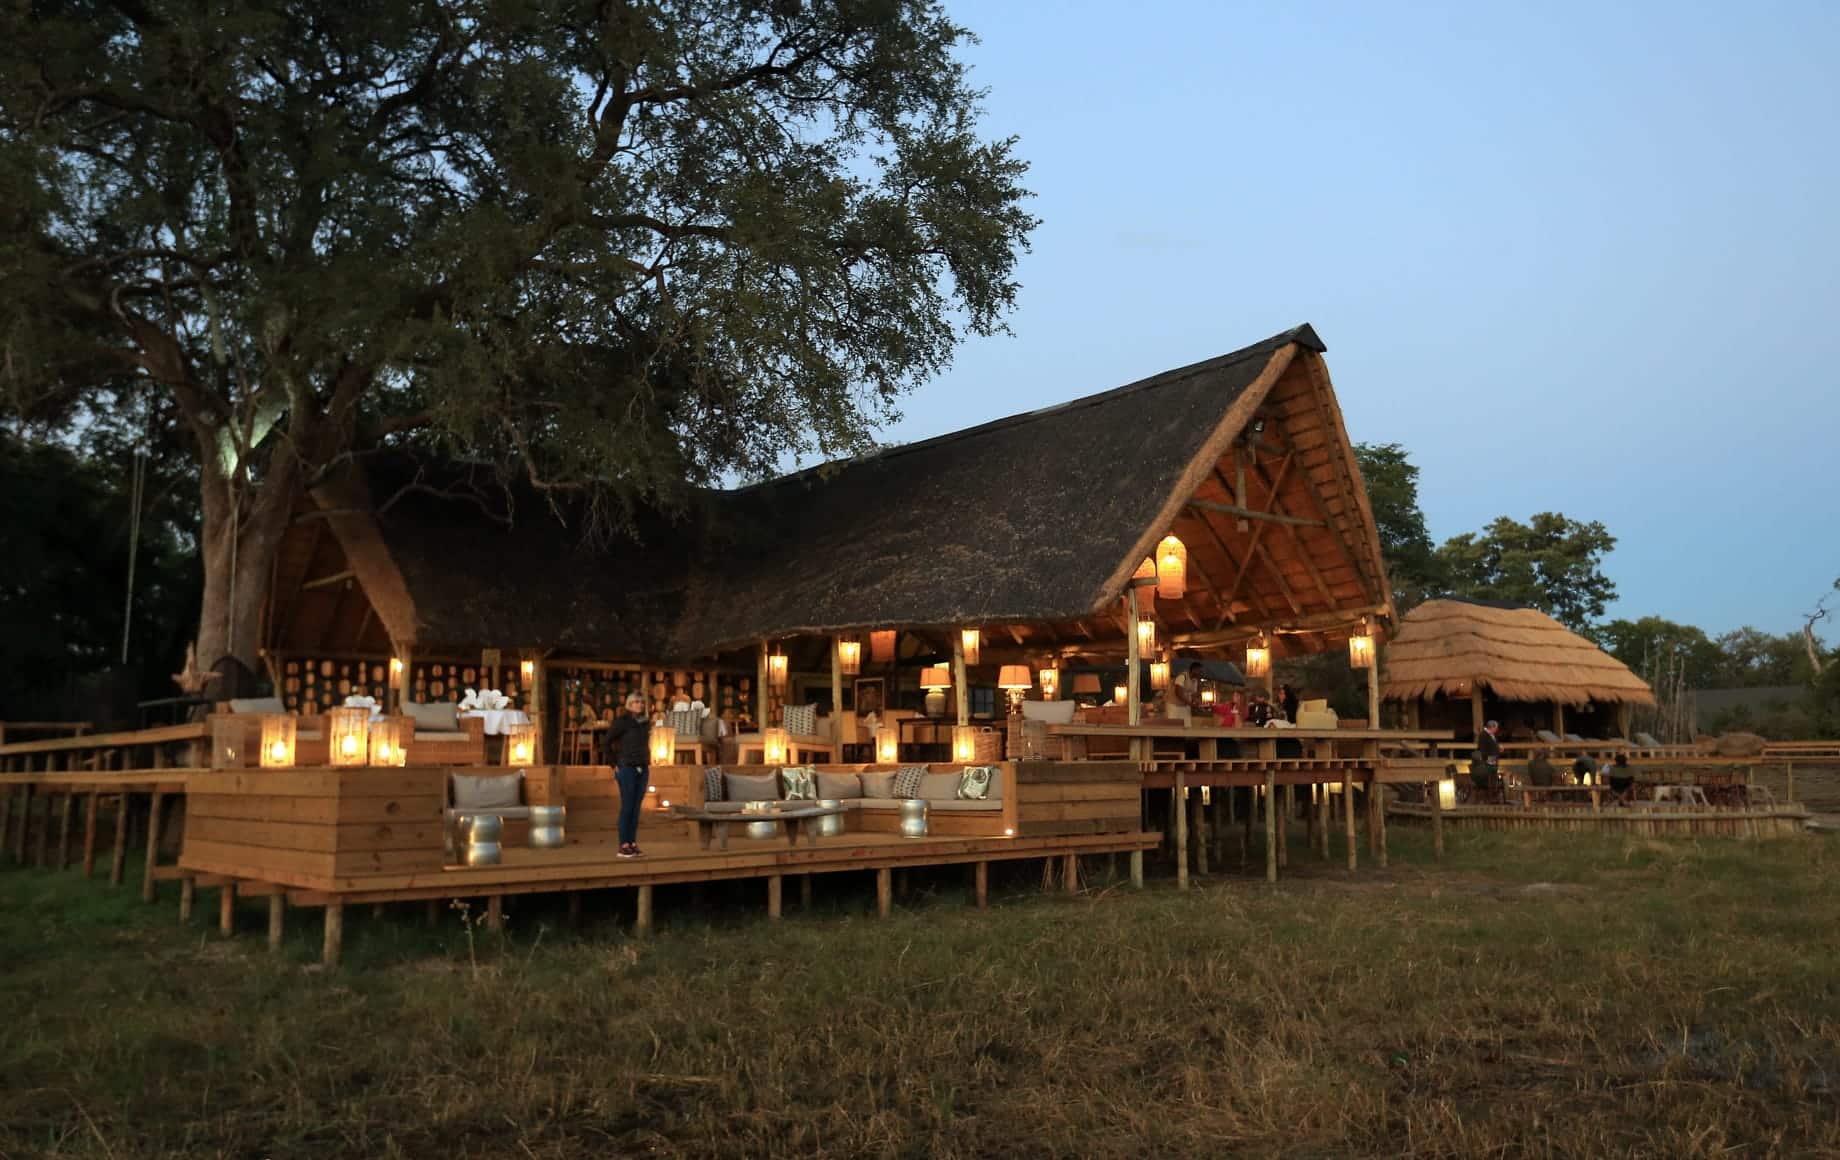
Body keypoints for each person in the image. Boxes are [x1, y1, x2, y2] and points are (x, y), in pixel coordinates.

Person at [603, 692, 651, 858]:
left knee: (636, 808)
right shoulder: (622, 722)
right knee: (627, 806)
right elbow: (606, 742)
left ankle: (632, 843)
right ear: (629, 704)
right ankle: (623, 844)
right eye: (637, 702)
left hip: (642, 768)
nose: (640, 705)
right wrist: (614, 763)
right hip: (626, 768)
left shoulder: (644, 722)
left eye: (642, 702)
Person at [1471, 718, 1502, 797]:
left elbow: (1493, 746)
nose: (1497, 729)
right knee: (1491, 776)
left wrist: (1498, 748)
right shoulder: (1484, 735)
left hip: (1492, 761)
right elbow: (1483, 750)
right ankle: (1492, 794)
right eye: (1496, 728)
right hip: (1487, 762)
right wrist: (1489, 760)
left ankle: (1493, 793)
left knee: (1494, 776)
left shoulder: (1491, 735)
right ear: (1492, 727)